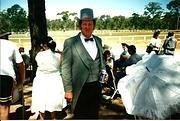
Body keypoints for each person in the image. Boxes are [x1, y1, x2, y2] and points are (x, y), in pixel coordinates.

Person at [61, 8, 106, 119]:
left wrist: (103, 72)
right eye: (84, 24)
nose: (87, 27)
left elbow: (101, 61)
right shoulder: (70, 42)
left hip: (96, 87)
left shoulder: (99, 40)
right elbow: (65, 68)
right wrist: (68, 90)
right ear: (80, 25)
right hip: (79, 88)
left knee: (94, 115)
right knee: (81, 116)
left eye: (90, 24)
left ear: (94, 26)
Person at [31, 36, 66, 120]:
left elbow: (38, 59)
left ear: (43, 45)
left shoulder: (39, 55)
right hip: (54, 79)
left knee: (41, 97)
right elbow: (62, 57)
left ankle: (42, 117)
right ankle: (53, 117)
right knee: (53, 98)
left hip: (41, 79)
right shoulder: (58, 55)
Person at [0, 32, 25, 120]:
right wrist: (22, 80)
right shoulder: (11, 45)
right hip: (5, 78)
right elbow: (20, 64)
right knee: (4, 108)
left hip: (5, 77)